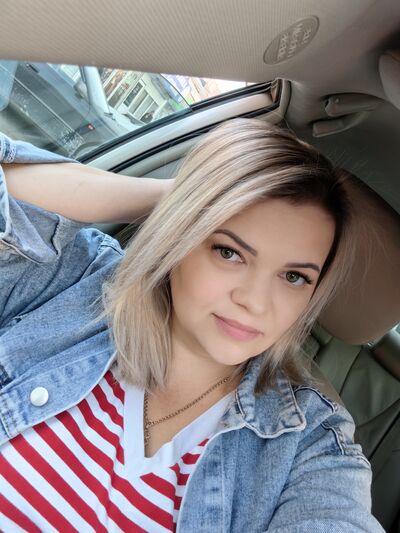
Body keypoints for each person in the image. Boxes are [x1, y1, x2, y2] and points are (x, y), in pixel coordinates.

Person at [0, 119, 384, 532]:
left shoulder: (310, 445)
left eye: (294, 277)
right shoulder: (78, 284)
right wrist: (180, 198)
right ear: (180, 234)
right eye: (229, 252)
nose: (255, 302)